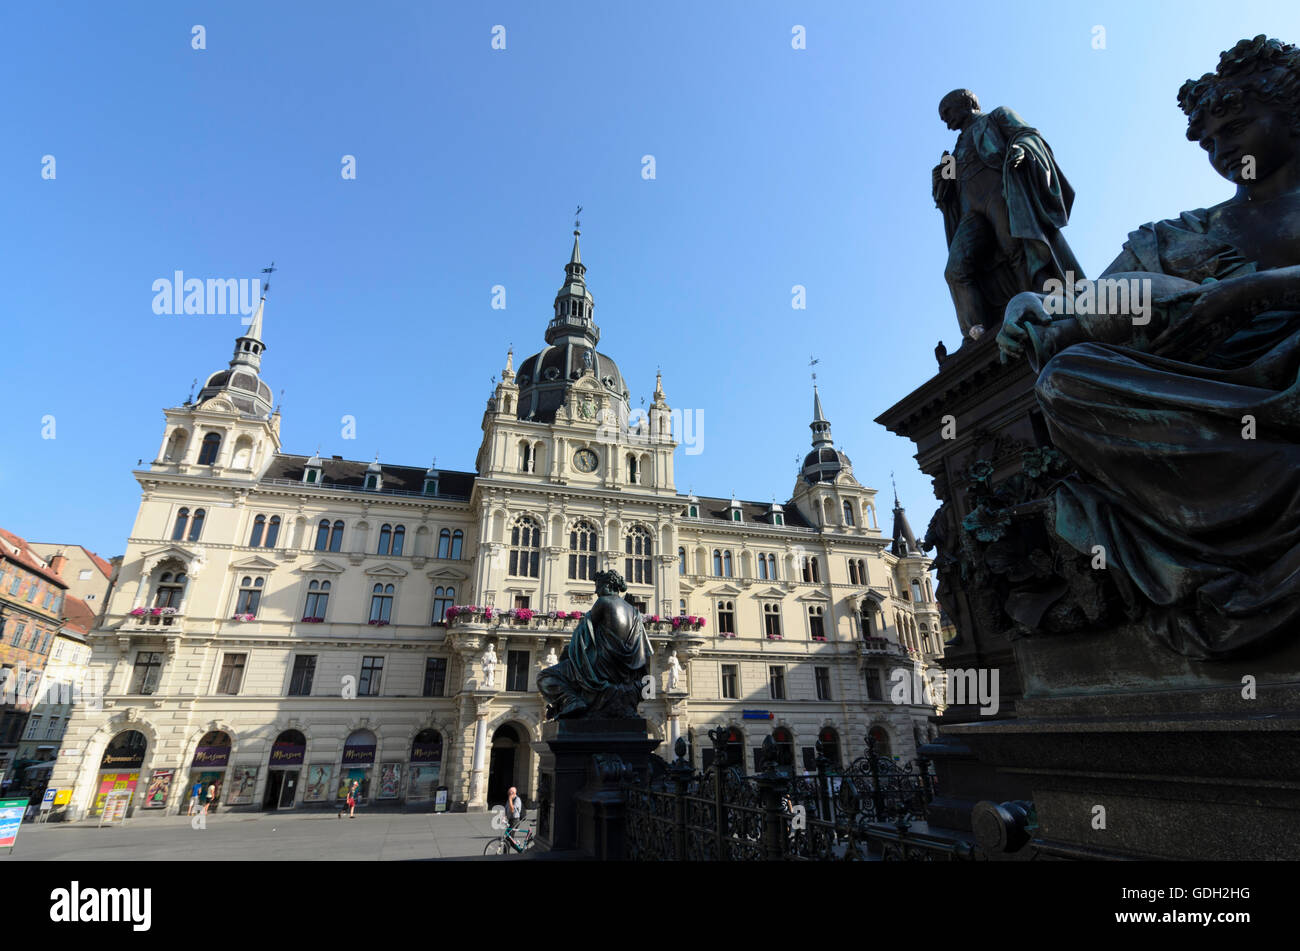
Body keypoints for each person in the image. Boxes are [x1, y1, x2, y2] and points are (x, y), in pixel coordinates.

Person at [995, 35, 1300, 659]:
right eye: (1209, 140)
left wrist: (1245, 294)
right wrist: (1035, 310)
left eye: (1237, 127)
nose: (1221, 149)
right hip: (1195, 397)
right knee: (1068, 378)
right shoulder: (1180, 234)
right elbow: (1089, 305)